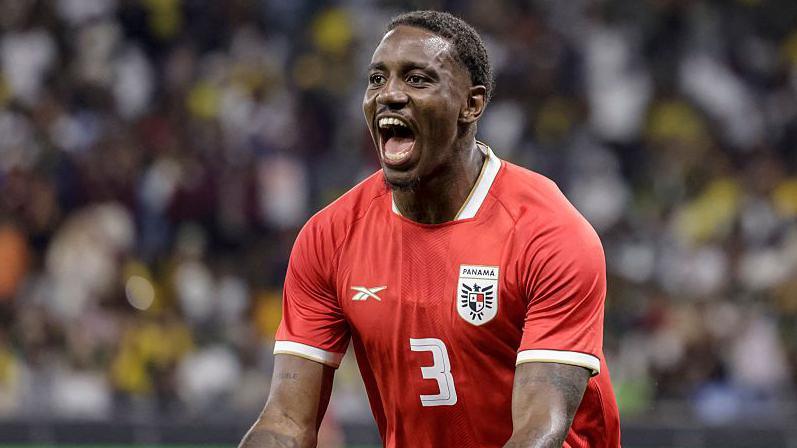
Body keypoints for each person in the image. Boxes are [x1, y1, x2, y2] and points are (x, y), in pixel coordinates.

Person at [239, 10, 621, 448]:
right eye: (377, 79)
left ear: (471, 104)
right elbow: (285, 420)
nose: (389, 95)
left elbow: (539, 432)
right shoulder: (330, 237)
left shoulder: (548, 233)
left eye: (417, 79)